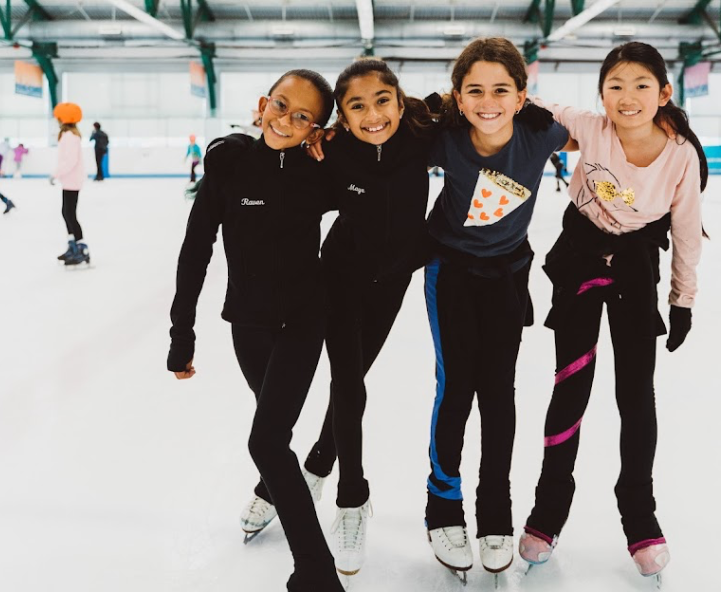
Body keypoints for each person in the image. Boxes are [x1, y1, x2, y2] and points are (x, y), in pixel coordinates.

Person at [519, 41, 706, 584]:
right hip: (578, 261)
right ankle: (547, 513)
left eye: (641, 86)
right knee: (570, 388)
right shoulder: (592, 128)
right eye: (615, 86)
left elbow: (688, 231)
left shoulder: (681, 155)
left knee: (635, 395)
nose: (628, 98)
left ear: (664, 92)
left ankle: (640, 518)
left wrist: (683, 300)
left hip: (633, 269)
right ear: (601, 94)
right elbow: (531, 108)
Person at [167, 69, 345, 592]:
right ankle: (279, 487)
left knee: (266, 440)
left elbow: (378, 161)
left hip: (304, 323)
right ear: (263, 102)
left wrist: (337, 146)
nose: (285, 118)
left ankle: (316, 570)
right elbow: (196, 249)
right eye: (281, 104)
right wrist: (183, 332)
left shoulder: (321, 171)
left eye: (303, 115)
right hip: (248, 324)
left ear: (316, 127)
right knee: (276, 434)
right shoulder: (230, 162)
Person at [421, 37, 569, 579]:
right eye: (475, 90)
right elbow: (380, 138)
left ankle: (495, 510)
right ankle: (443, 503)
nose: (489, 101)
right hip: (450, 274)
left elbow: (603, 131)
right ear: (458, 98)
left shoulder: (541, 133)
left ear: (522, 94)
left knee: (498, 394)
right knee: (456, 386)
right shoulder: (445, 138)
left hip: (508, 276)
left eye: (501, 90)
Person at [286, 59, 436, 581]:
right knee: (348, 383)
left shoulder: (423, 134)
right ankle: (352, 500)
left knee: (354, 382)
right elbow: (283, 181)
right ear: (342, 117)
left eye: (381, 101)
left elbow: (480, 112)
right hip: (341, 279)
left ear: (398, 100)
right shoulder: (333, 154)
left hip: (393, 281)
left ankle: (314, 466)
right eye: (356, 106)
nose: (373, 114)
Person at [50, 103, 90, 266]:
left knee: (70, 214)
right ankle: (72, 245)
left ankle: (82, 249)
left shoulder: (70, 137)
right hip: (68, 180)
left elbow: (70, 160)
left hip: (72, 180)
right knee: (66, 213)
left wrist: (55, 174)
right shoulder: (67, 135)